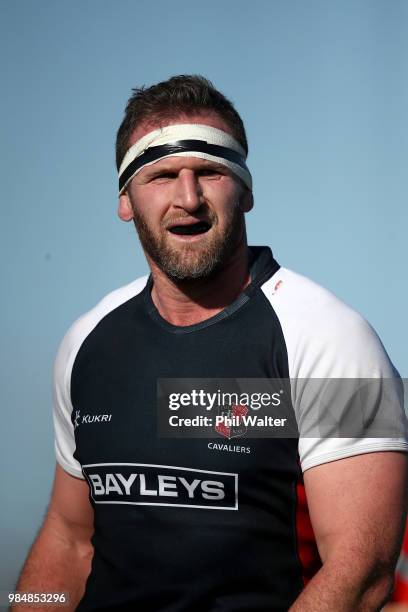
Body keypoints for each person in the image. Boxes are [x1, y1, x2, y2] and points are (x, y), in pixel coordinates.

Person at [15, 75, 408, 612]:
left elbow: (362, 573)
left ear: (245, 190)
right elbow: (68, 538)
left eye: (209, 171)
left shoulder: (331, 336)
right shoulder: (86, 341)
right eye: (160, 176)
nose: (188, 198)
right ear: (125, 200)